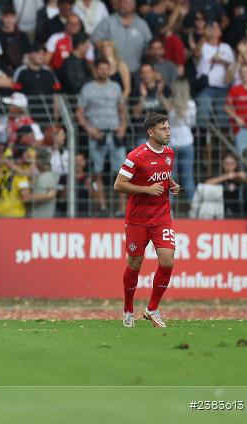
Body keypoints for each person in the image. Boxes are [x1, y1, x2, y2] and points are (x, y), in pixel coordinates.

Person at [114, 112, 180, 328]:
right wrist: (146, 190)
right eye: (163, 129)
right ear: (151, 132)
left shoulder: (170, 153)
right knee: (134, 264)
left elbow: (163, 174)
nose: (168, 132)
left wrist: (171, 184)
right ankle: (128, 310)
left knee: (168, 260)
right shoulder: (136, 156)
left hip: (162, 217)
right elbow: (119, 184)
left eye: (168, 128)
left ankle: (152, 309)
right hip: (137, 220)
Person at [76, 59, 128, 215]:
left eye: (106, 69)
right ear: (95, 70)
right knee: (96, 172)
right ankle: (102, 207)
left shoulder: (116, 87)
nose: (103, 71)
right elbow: (79, 112)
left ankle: (121, 209)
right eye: (100, 69)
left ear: (110, 70)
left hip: (115, 133)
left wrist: (123, 126)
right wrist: (89, 129)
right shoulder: (87, 89)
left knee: (123, 173)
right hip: (97, 134)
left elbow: (121, 109)